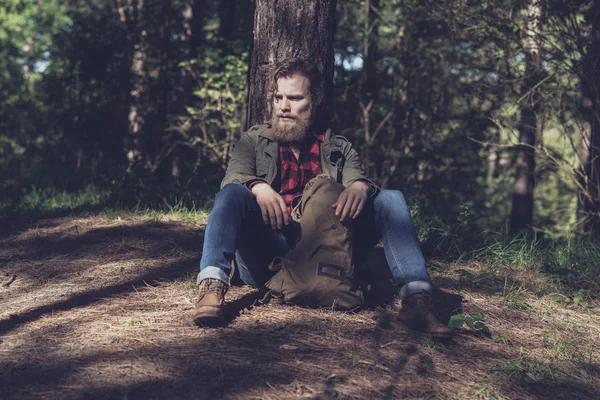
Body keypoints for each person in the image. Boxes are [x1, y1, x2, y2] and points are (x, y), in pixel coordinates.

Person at [193, 57, 451, 338]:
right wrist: (258, 186)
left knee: (391, 199)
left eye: (294, 98)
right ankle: (211, 286)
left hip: (325, 258)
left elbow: (357, 179)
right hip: (268, 255)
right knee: (232, 193)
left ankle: (416, 302)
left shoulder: (338, 148)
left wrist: (360, 187)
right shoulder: (253, 141)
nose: (284, 106)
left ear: (314, 100)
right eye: (278, 97)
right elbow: (232, 178)